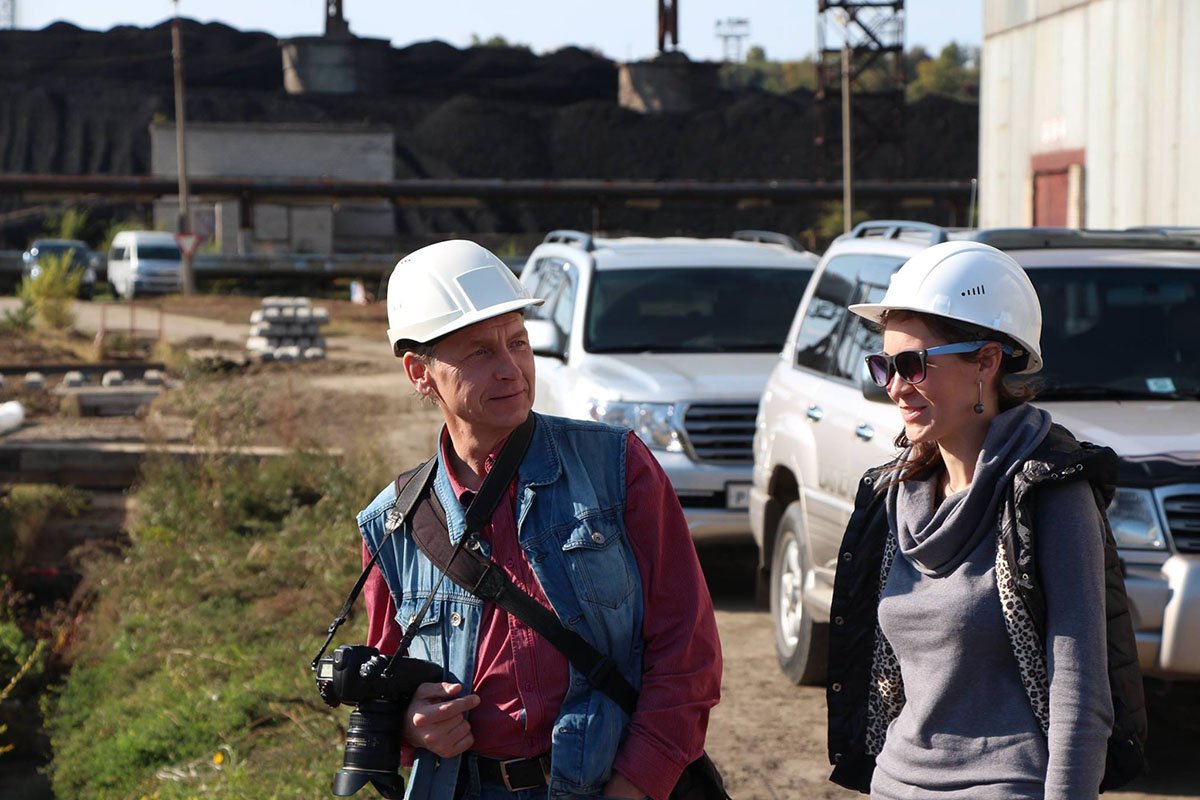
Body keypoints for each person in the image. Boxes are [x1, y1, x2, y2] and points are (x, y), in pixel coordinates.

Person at [356, 239, 722, 800]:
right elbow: (384, 683)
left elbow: (687, 651)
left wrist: (635, 786)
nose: (512, 369)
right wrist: (411, 724)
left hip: (605, 786)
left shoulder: (618, 466)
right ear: (419, 371)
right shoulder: (393, 523)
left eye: (518, 342)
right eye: (479, 352)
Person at [824, 241, 1145, 798]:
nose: (896, 387)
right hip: (894, 783)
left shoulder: (1048, 491)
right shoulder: (891, 493)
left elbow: (1081, 691)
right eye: (884, 365)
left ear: (987, 362)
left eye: (913, 365)